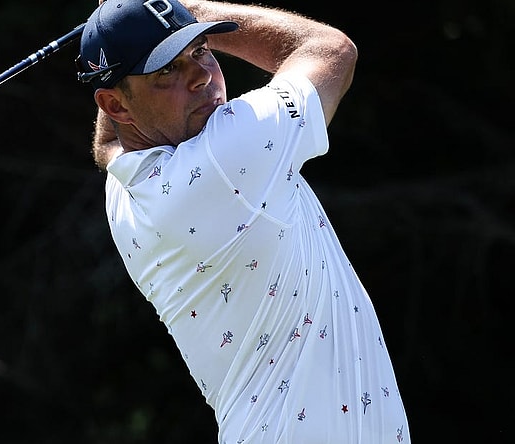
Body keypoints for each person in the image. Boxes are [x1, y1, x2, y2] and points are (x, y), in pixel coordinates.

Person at [75, 0, 411, 442]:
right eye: (166, 72)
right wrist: (187, 8)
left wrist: (133, 20)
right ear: (115, 105)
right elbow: (331, 50)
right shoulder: (228, 155)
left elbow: (106, 144)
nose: (201, 77)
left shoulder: (125, 184)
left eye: (200, 50)